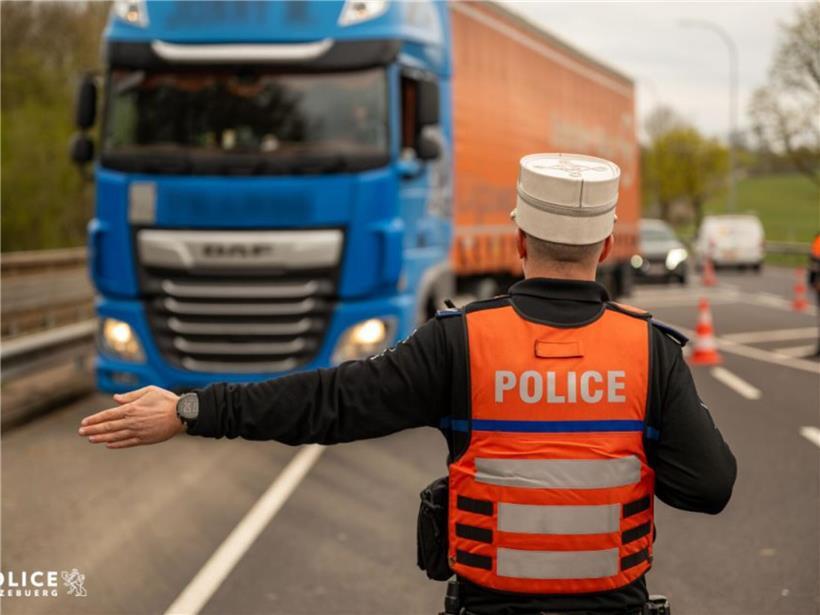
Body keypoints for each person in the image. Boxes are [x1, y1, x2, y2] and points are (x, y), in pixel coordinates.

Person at [79, 153, 736, 615]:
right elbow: (708, 485)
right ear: (606, 241)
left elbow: (330, 402)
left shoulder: (461, 343)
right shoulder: (647, 351)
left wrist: (193, 407)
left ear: (518, 237)